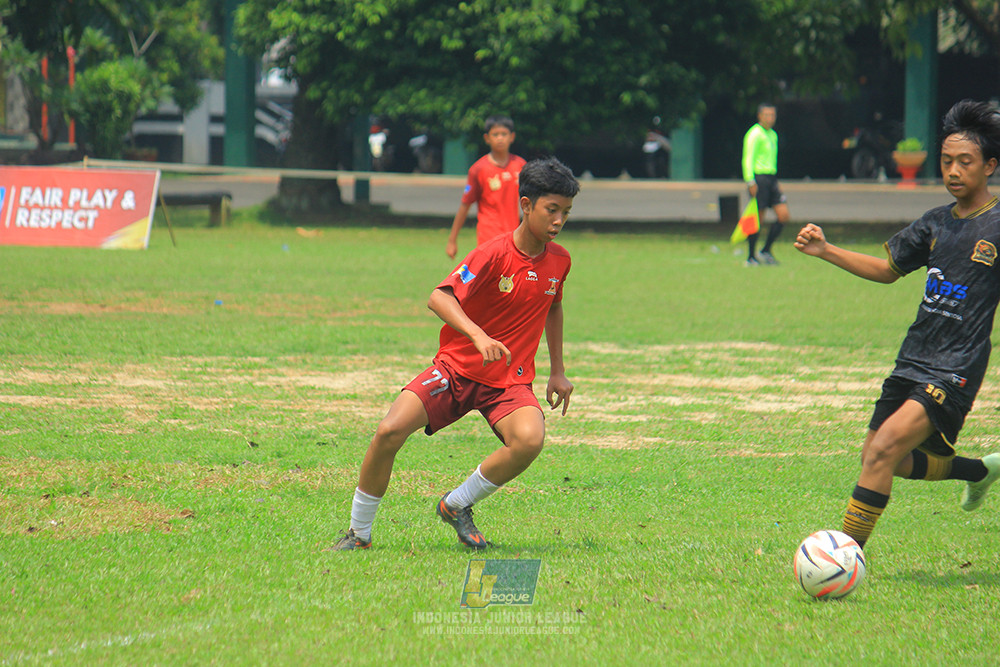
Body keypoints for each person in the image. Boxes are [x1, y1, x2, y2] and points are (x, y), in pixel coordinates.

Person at [333, 157, 580, 551]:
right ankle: (358, 534)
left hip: (509, 382)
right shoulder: (492, 254)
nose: (559, 221)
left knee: (530, 440)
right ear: (527, 204)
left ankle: (456, 504)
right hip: (457, 370)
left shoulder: (560, 261)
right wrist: (478, 336)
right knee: (388, 431)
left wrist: (558, 371)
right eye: (552, 210)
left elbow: (552, 305)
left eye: (566, 212)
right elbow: (438, 297)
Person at [794, 99, 1000, 551]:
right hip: (915, 356)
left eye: (965, 162)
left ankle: (845, 557)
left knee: (885, 446)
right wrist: (827, 250)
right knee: (880, 455)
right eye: (946, 161)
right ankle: (980, 470)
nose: (953, 171)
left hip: (957, 366)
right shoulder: (934, 223)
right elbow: (887, 269)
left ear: (990, 165)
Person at [446, 115, 527, 260]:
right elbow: (465, 205)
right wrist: (452, 240)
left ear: (512, 137)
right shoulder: (478, 169)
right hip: (488, 237)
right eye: (495, 135)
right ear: (487, 138)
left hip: (513, 236)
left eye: (504, 134)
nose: (500, 138)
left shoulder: (520, 166)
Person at [742, 103, 790, 265]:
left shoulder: (773, 135)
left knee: (783, 215)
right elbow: (747, 158)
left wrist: (775, 181)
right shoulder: (754, 134)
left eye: (772, 115)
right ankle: (750, 256)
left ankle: (766, 250)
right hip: (759, 178)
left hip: (771, 178)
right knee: (758, 219)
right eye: (767, 115)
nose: (770, 118)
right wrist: (750, 181)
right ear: (759, 116)